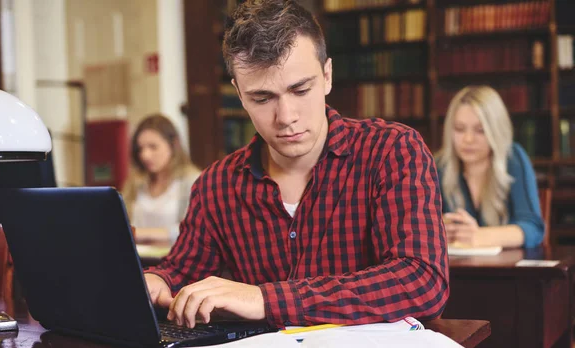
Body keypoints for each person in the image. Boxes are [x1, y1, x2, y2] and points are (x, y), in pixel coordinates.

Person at [144, 0, 449, 328]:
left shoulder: (392, 151)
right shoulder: (216, 185)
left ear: (327, 76)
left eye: (300, 89)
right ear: (239, 94)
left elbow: (422, 281)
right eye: (262, 99)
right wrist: (156, 282)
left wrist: (264, 299)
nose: (286, 118)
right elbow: (179, 272)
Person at [436, 85, 545, 249]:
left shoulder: (513, 158)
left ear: (496, 131)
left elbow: (533, 228)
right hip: (455, 271)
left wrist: (479, 236)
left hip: (507, 270)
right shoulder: (439, 166)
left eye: (480, 130)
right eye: (459, 129)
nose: (468, 139)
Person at [122, 114, 200, 244]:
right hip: (138, 261)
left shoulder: (193, 181)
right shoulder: (135, 182)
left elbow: (194, 230)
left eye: (153, 147)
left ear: (173, 145)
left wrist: (138, 233)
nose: (145, 155)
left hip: (176, 261)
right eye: (140, 149)